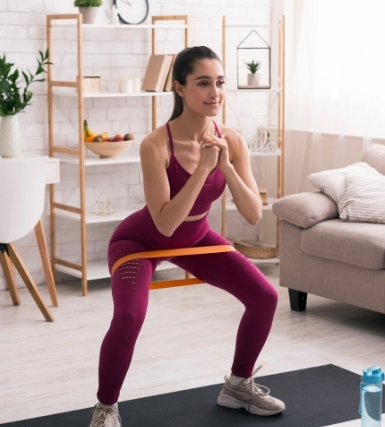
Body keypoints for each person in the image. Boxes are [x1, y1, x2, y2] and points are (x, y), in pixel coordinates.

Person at [88, 46, 285, 427]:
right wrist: (202, 171)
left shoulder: (232, 140)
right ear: (179, 88)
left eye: (220, 83)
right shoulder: (156, 145)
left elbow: (253, 212)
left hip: (196, 239)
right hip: (140, 243)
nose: (215, 93)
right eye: (203, 83)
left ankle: (238, 386)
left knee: (265, 296)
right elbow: (164, 224)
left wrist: (225, 165)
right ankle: (105, 408)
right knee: (129, 316)